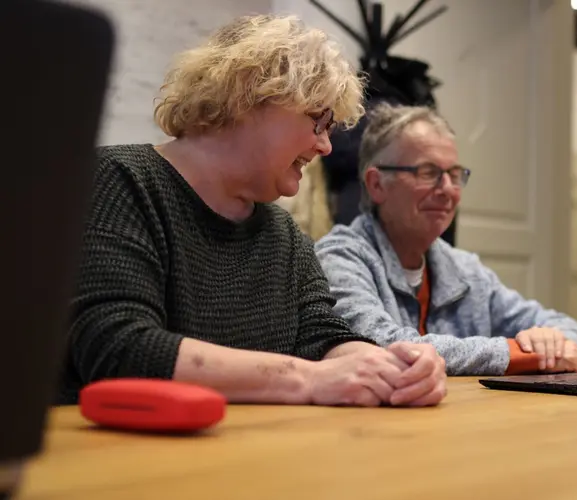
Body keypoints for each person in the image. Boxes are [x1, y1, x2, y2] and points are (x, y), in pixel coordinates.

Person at [58, 15, 446, 408]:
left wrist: (392, 368)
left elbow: (323, 339)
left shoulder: (284, 235)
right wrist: (308, 380)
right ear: (249, 98)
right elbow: (119, 349)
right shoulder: (118, 181)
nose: (326, 146)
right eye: (318, 120)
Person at [315, 103, 577, 376]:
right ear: (377, 184)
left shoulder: (464, 268)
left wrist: (551, 343)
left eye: (455, 174)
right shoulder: (339, 256)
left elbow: (568, 329)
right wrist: (520, 354)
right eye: (428, 173)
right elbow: (381, 347)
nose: (448, 189)